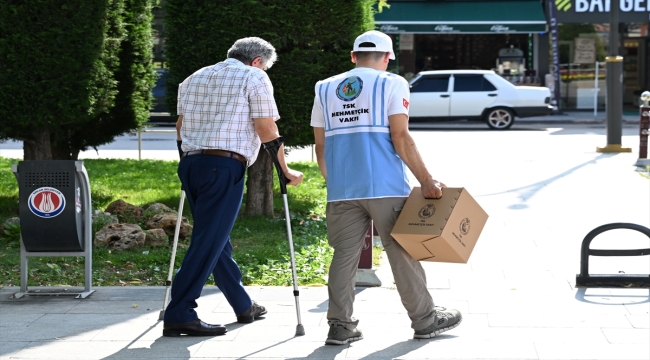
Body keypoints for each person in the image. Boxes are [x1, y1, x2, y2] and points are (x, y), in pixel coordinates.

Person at [310, 30, 462, 345]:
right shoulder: (392, 83)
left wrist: (334, 181)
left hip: (342, 189)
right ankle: (425, 320)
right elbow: (401, 136)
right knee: (402, 253)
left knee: (344, 257)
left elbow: (320, 145)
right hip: (385, 186)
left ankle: (340, 326)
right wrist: (426, 179)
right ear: (388, 57)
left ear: (353, 56)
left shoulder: (324, 88)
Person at [164, 37, 304, 337]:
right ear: (257, 61)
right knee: (208, 241)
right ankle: (180, 312)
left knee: (214, 237)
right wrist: (285, 169)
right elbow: (267, 128)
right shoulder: (255, 76)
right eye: (265, 65)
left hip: (191, 163)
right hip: (224, 165)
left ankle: (242, 305)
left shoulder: (194, 77)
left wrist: (190, 161)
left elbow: (180, 126)